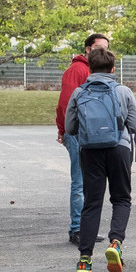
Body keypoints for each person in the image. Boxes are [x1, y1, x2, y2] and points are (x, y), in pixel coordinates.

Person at [63, 47, 136, 272]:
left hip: (90, 152)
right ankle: (115, 243)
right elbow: (135, 127)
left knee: (92, 203)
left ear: (90, 68)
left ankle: (84, 259)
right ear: (113, 69)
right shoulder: (124, 92)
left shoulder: (78, 93)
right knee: (121, 199)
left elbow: (69, 128)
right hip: (118, 149)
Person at [56, 33, 109, 245]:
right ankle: (77, 228)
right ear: (87, 48)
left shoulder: (95, 70)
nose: (102, 51)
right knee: (80, 182)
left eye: (105, 48)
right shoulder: (78, 70)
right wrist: (65, 129)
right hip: (79, 132)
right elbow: (66, 104)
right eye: (98, 47)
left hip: (91, 132)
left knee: (88, 182)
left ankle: (85, 227)